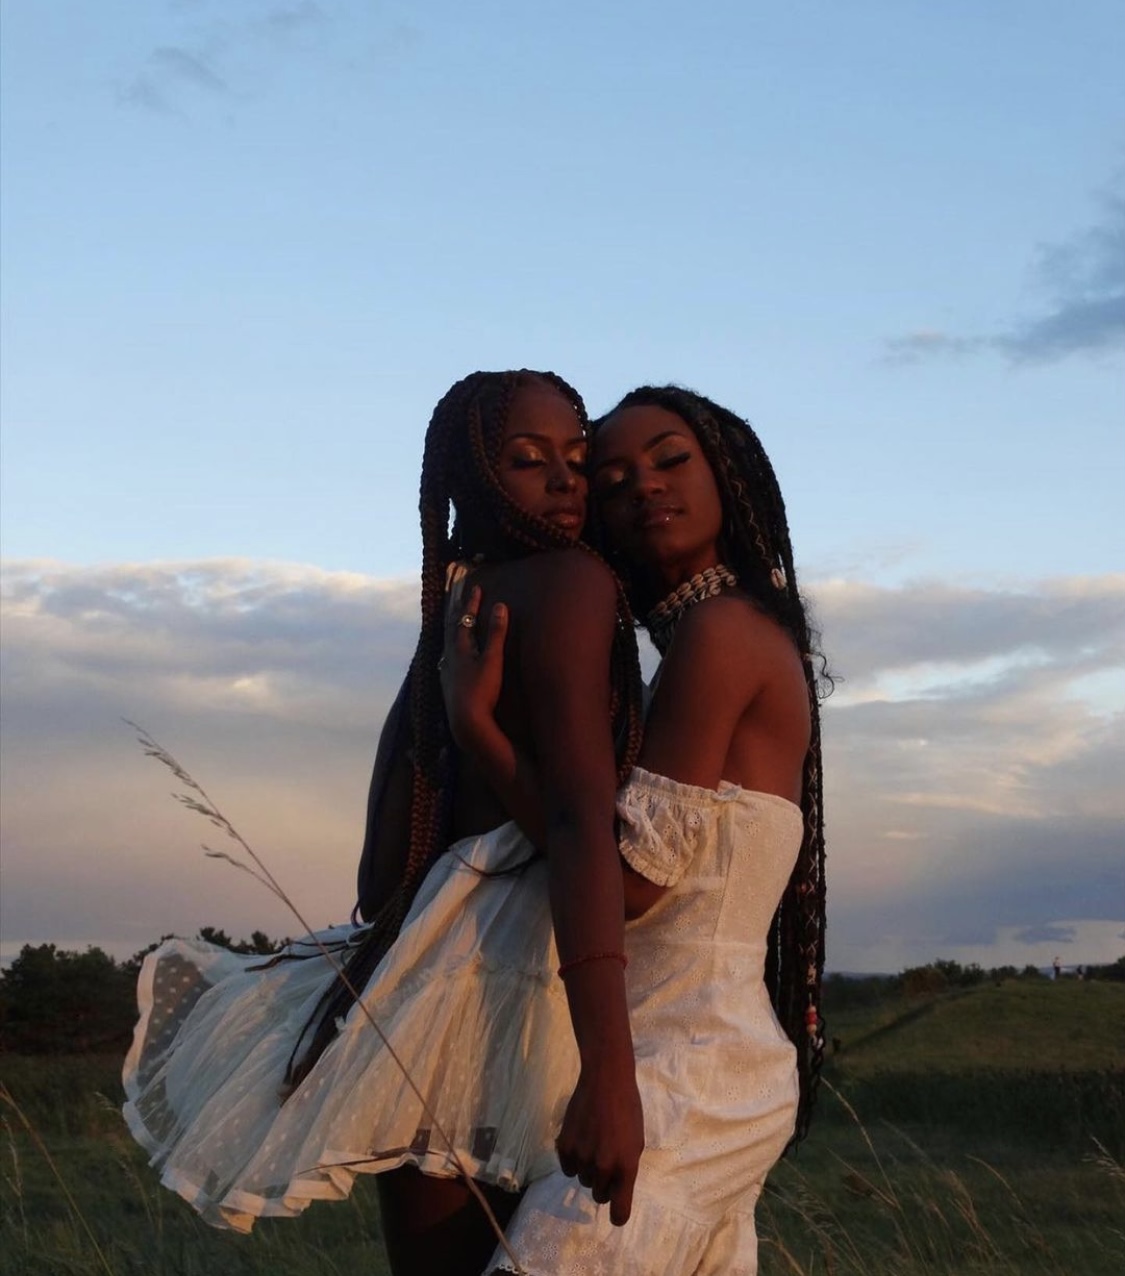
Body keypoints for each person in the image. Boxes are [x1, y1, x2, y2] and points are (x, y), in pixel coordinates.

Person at [122, 370, 648, 1276]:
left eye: (576, 457)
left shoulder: (464, 597)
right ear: (471, 478)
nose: (566, 480)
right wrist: (611, 1068)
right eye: (528, 461)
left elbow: (383, 864)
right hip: (518, 976)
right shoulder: (568, 580)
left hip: (434, 970)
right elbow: (574, 819)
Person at [444, 384, 827, 1275]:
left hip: (686, 1071)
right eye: (610, 481)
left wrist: (480, 734)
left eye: (669, 460)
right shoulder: (704, 646)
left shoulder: (722, 636)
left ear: (726, 475)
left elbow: (628, 885)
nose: (642, 486)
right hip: (699, 1063)